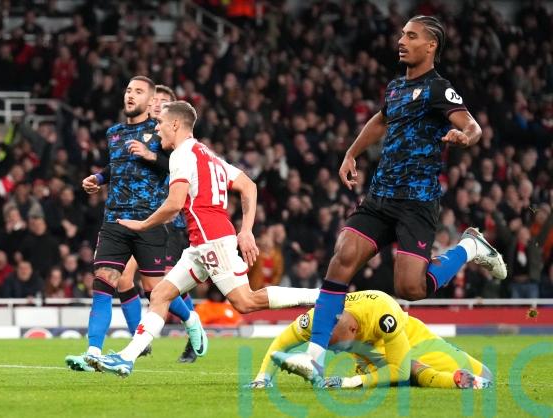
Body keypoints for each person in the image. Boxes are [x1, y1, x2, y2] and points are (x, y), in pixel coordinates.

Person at [274, 15, 507, 386]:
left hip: (417, 202)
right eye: (402, 34)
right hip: (380, 196)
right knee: (342, 258)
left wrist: (466, 137)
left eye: (411, 36)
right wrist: (351, 153)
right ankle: (314, 359)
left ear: (431, 45)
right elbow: (380, 121)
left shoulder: (438, 88)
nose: (402, 40)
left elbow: (471, 124)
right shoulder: (397, 87)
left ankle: (469, 247)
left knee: (410, 289)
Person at [84, 101, 319, 377]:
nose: (157, 129)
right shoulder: (206, 154)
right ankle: (126, 359)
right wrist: (245, 230)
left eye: (160, 123)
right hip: (201, 243)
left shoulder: (181, 155)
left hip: (212, 240)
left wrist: (143, 224)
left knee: (246, 301)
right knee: (160, 294)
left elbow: (174, 204)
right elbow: (248, 185)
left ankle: (322, 297)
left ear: (175, 124)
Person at [65, 78, 206, 372]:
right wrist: (98, 179)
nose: (131, 95)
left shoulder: (161, 132)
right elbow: (117, 166)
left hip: (150, 220)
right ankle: (92, 353)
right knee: (104, 281)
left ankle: (191, 320)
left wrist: (151, 155)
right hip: (115, 218)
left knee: (155, 289)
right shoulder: (114, 133)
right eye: (129, 90)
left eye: (138, 92)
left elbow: (178, 167)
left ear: (151, 100)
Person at [248, 290, 492, 389]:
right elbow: (282, 342)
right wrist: (262, 378)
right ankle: (455, 380)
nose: (334, 352)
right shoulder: (316, 318)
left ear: (353, 329)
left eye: (337, 346)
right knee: (409, 372)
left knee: (486, 374)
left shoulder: (383, 314)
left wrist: (350, 382)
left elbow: (399, 370)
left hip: (409, 337)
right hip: (367, 356)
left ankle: (462, 379)